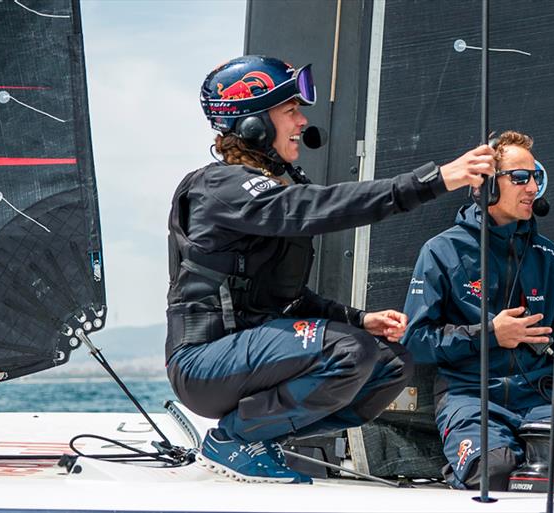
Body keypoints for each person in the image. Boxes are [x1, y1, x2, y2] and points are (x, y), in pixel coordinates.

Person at [164, 55, 495, 484]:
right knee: (348, 351)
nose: (302, 122)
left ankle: (264, 435)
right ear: (253, 126)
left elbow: (289, 300)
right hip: (203, 364)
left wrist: (359, 319)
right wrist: (433, 180)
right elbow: (315, 207)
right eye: (290, 111)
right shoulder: (220, 187)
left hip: (250, 356)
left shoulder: (271, 194)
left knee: (390, 362)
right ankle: (236, 438)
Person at [401, 130, 554, 493]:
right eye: (520, 178)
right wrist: (489, 334)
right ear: (486, 186)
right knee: (495, 471)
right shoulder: (442, 251)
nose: (532, 188)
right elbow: (414, 340)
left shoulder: (548, 257)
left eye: (537, 177)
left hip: (539, 401)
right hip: (470, 397)